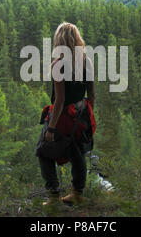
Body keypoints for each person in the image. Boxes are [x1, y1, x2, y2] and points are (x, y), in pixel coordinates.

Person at [39, 22, 95, 206]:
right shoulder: (87, 61)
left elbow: (60, 100)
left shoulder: (58, 65)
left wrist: (51, 129)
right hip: (80, 115)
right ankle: (77, 194)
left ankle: (54, 196)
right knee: (77, 153)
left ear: (59, 40)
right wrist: (87, 119)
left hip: (62, 117)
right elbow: (92, 95)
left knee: (43, 152)